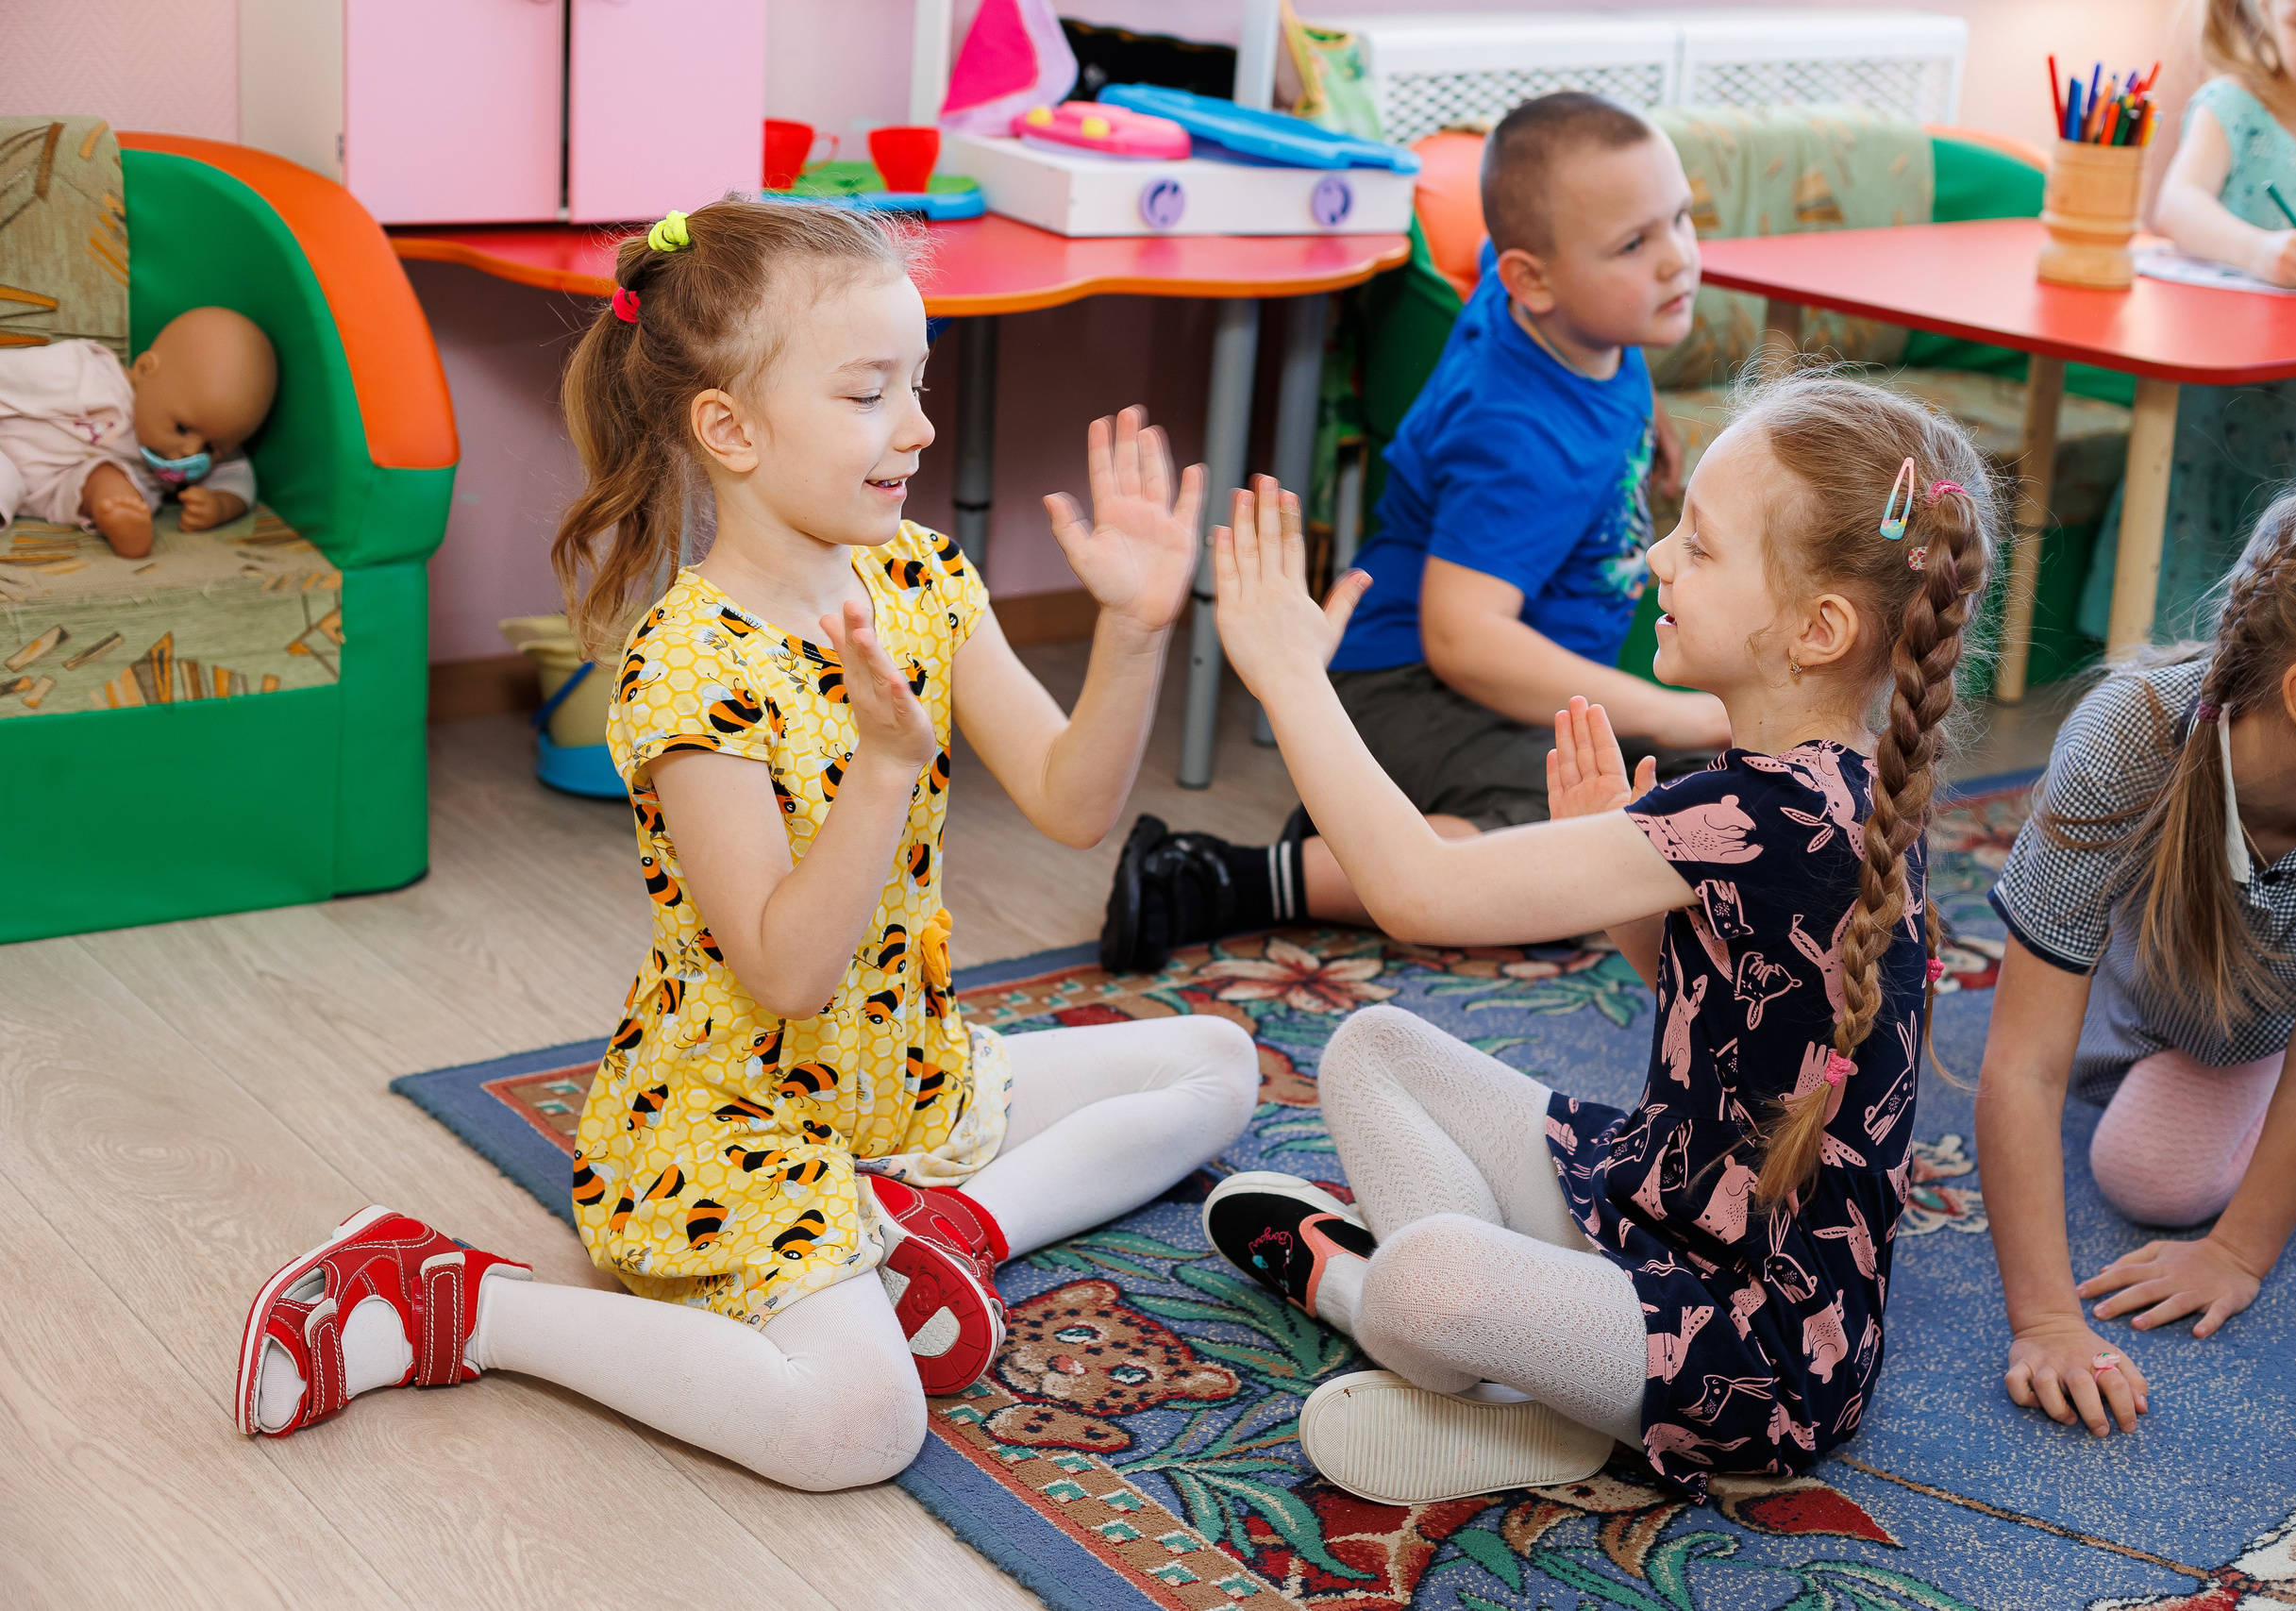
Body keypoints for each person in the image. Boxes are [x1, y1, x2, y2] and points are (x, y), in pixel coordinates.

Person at [229, 201, 1261, 1490]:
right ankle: (448, 1294)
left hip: (900, 1074)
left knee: (1221, 1058)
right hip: (734, 1115)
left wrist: (1133, 632)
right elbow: (782, 969)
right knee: (855, 1429)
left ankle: (948, 1230)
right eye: (870, 392)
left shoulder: (922, 581)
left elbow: (1072, 801)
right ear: (732, 427)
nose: (920, 426)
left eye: (920, 384)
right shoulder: (688, 668)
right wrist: (886, 766)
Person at [1195, 371, 1995, 1503]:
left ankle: (1436, 1341)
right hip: (1659, 1202)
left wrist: (1288, 679)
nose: (1658, 559)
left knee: (1426, 1280)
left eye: (1700, 547)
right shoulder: (1814, 783)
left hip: (1753, 1353)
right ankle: (1536, 1380)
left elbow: (1417, 891)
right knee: (1372, 1045)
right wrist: (1624, 890)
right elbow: (1713, 1005)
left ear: (1818, 631)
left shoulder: (1767, 815)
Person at [1098, 91, 1728, 973]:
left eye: (1681, 220)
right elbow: (1461, 640)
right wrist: (1673, 710)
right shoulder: (1517, 433)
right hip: (1405, 682)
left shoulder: (1569, 321)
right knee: (1571, 863)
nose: (1677, 261)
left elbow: (1564, 328)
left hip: (1503, 692)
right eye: (1635, 244)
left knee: (1697, 798)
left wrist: (1642, 416)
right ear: (1532, 279)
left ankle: (1365, 815)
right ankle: (1227, 875)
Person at [1980, 469, 2296, 1441]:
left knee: (2151, 1175)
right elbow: (2023, 1061)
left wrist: (2237, 1253)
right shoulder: (2126, 741)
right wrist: (2045, 1320)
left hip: (2257, 1022)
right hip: (2158, 1014)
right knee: (2141, 1137)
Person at [2080, 0, 2296, 643]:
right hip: (2215, 407)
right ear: (2264, 13)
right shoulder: (2232, 105)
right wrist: (2257, 249)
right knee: (2191, 579)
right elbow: (2178, 206)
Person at [0, 306, 277, 558]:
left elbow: (239, 479)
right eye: (182, 428)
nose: (191, 452)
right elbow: (11, 374)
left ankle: (122, 521)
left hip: (51, 484)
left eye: (211, 448)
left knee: (112, 482)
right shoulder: (85, 376)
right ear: (145, 370)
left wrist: (219, 507)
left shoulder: (202, 440)